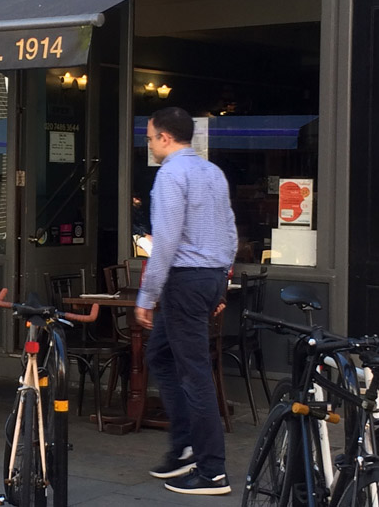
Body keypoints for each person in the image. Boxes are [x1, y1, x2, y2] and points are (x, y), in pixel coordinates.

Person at [135, 106, 238, 497]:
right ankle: (184, 448)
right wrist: (222, 283)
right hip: (210, 276)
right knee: (160, 355)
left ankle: (212, 470)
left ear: (164, 137)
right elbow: (230, 229)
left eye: (149, 137)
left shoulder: (170, 175)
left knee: (194, 373)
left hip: (185, 279)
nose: (148, 144)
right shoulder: (212, 172)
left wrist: (147, 294)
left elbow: (166, 242)